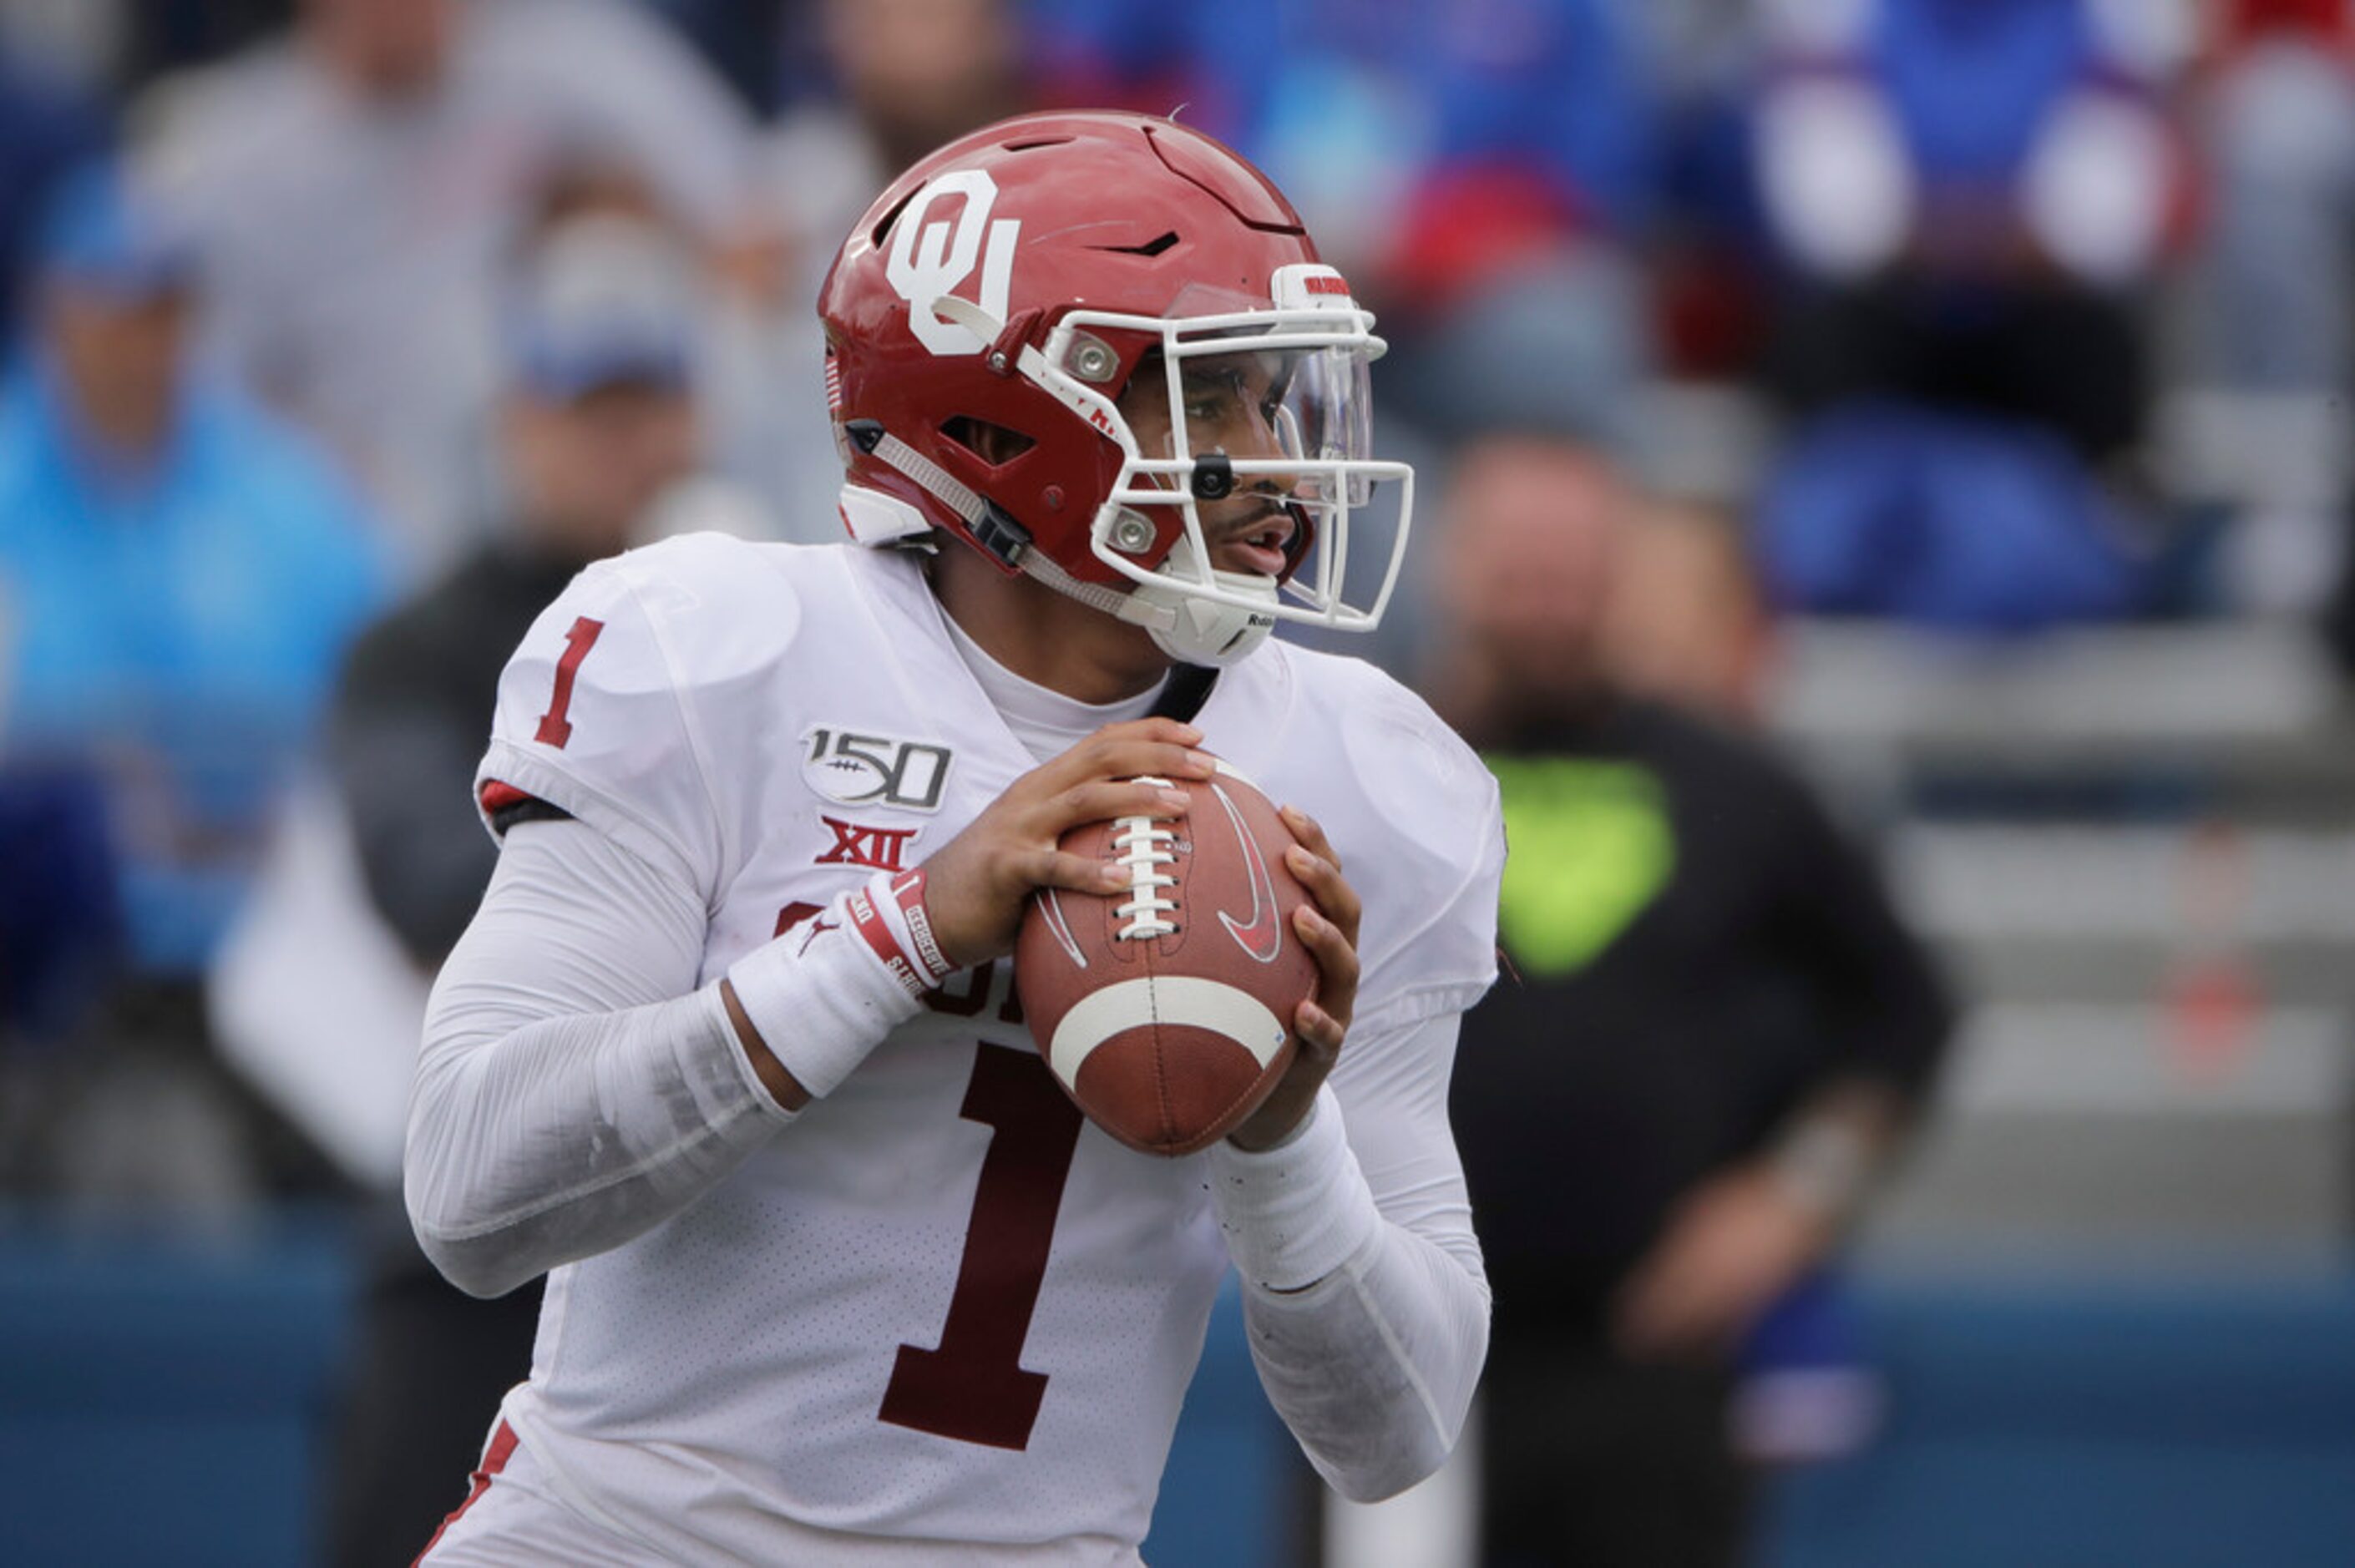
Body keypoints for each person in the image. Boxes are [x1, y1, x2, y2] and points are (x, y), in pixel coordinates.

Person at [404, 111, 1503, 1565]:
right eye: (1208, 402)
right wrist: (906, 931)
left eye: (1275, 404)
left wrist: (1282, 1131)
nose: (1276, 467)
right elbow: (473, 1184)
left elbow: (1397, 1428)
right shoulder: (719, 652)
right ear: (1002, 422)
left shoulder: (1366, 772)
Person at [1427, 438, 1953, 1568]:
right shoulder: (1373, 764)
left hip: (1653, 1366)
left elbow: (1908, 1012)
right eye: (1519, 565)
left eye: (1573, 565)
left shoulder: (1735, 785)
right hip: (1398, 1359)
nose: (1547, 602)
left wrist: (1792, 1200)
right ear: (1453, 567)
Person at [320, 210, 704, 1566]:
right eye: (582, 405)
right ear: (515, 420)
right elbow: (422, 875)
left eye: (640, 404)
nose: (613, 444)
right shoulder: (420, 647)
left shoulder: (760, 637)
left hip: (699, 1229)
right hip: (469, 1231)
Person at [0, 159, 385, 1205]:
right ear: (53, 309)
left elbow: (381, 722)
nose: (137, 341)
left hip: (263, 967)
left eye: (162, 309)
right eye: (111, 307)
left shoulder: (291, 500)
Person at [140, 0, 752, 575]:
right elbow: (210, 390)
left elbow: (747, 224)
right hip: (358, 486)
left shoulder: (559, 57)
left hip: (566, 402)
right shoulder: (234, 156)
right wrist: (329, 481)